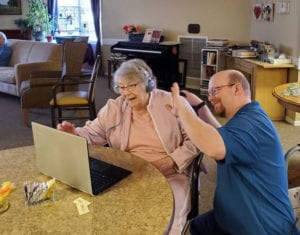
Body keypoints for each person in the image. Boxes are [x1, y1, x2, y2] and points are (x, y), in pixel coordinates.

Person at [57, 58, 203, 234]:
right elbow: (93, 133)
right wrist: (75, 133)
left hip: (170, 173)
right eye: (121, 87)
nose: (125, 93)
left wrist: (170, 161)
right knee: (110, 215)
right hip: (128, 172)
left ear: (147, 82)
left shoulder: (172, 103)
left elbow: (197, 139)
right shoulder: (115, 107)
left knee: (166, 221)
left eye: (131, 85)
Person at [170, 70, 298, 234]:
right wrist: (201, 108)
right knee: (197, 226)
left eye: (215, 91)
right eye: (209, 93)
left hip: (261, 228)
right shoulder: (248, 117)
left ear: (237, 88)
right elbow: (224, 137)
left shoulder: (250, 125)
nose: (211, 97)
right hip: (231, 218)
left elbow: (214, 147)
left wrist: (182, 110)